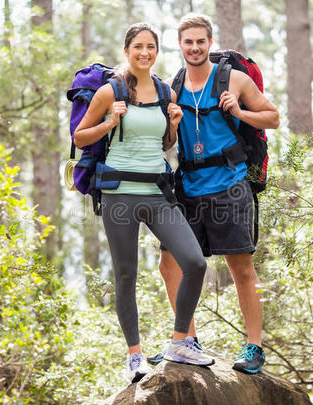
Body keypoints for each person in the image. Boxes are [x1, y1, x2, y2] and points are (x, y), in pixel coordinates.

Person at [74, 22, 214, 384]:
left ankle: (180, 342)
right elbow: (80, 135)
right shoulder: (111, 91)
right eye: (138, 46)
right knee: (126, 275)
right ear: (127, 51)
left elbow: (164, 146)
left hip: (157, 192)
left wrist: (173, 125)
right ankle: (134, 356)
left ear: (156, 51)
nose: (144, 52)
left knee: (195, 262)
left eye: (150, 46)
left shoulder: (166, 90)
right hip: (119, 194)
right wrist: (109, 122)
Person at [150, 14, 280, 374]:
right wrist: (172, 125)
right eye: (188, 42)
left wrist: (239, 111)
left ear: (210, 42)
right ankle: (185, 341)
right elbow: (168, 145)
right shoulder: (173, 86)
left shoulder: (233, 79)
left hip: (230, 185)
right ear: (180, 45)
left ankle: (254, 347)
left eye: (200, 41)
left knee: (241, 268)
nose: (194, 47)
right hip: (187, 189)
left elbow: (272, 117)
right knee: (170, 264)